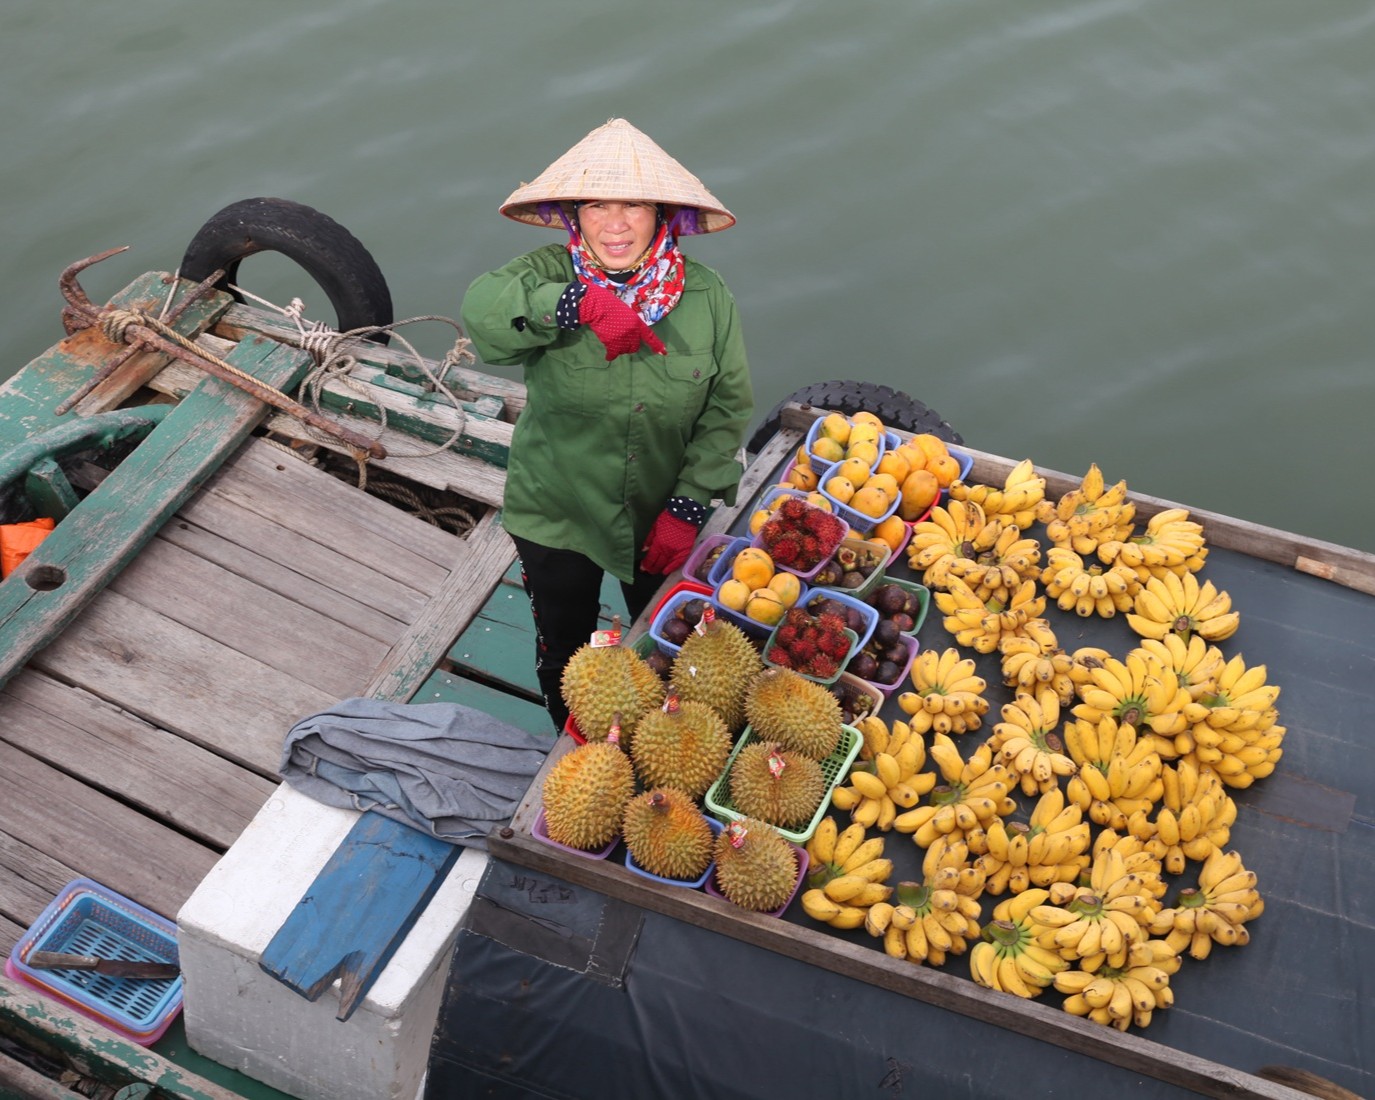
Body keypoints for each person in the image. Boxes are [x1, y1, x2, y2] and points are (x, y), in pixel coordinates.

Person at [461, 118, 754, 732]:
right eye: (596, 204)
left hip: (660, 509)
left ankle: (667, 737)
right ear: (573, 215)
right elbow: (484, 314)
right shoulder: (543, 273)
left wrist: (691, 504)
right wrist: (575, 304)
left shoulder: (706, 296)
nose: (614, 223)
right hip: (559, 509)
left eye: (635, 205)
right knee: (563, 647)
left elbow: (727, 406)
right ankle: (569, 743)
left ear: (663, 215)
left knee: (675, 644)